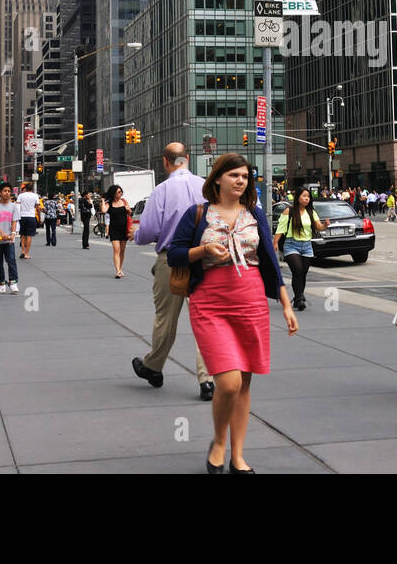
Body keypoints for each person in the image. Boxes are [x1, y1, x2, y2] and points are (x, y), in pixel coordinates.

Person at [166, 153, 297, 473]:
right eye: (234, 175)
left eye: (245, 176)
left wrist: (286, 302)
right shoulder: (197, 213)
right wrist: (204, 250)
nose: (240, 180)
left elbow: (268, 258)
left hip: (251, 302)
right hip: (209, 303)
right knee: (228, 382)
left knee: (244, 384)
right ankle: (219, 441)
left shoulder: (254, 213)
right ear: (218, 179)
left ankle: (237, 455)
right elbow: (174, 254)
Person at [132, 143, 214, 401]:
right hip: (206, 259)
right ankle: (207, 379)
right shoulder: (206, 187)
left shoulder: (162, 190)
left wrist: (140, 235)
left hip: (173, 261)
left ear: (165, 162)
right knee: (205, 319)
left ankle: (153, 367)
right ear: (187, 159)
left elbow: (146, 232)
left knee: (166, 318)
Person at [276, 186, 327, 311]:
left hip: (307, 246)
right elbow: (281, 228)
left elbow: (319, 226)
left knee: (303, 273)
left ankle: (298, 296)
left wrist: (325, 225)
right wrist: (275, 242)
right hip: (291, 244)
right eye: (304, 196)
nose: (306, 199)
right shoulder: (289, 211)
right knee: (297, 270)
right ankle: (299, 299)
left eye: (308, 197)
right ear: (298, 197)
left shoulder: (311, 212)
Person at [0, 183, 20, 295]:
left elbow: (14, 221)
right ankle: (1, 283)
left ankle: (13, 282)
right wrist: (2, 233)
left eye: (8, 191)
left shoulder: (13, 206)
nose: (7, 193)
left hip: (9, 240)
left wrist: (12, 234)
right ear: (0, 193)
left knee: (11, 260)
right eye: (5, 191)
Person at [101, 184, 131, 278]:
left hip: (124, 229)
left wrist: (128, 210)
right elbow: (104, 210)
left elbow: (130, 212)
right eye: (118, 192)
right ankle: (117, 270)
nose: (120, 193)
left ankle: (120, 269)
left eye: (121, 191)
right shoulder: (109, 203)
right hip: (114, 229)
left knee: (122, 251)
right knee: (116, 250)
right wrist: (102, 200)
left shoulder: (124, 201)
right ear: (114, 193)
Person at [16, 181, 40, 259]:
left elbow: (17, 206)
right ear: (32, 188)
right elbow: (37, 207)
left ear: (25, 188)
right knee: (29, 235)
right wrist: (39, 217)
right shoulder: (35, 196)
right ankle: (26, 253)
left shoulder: (21, 195)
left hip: (22, 216)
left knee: (22, 235)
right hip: (31, 216)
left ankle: (22, 250)